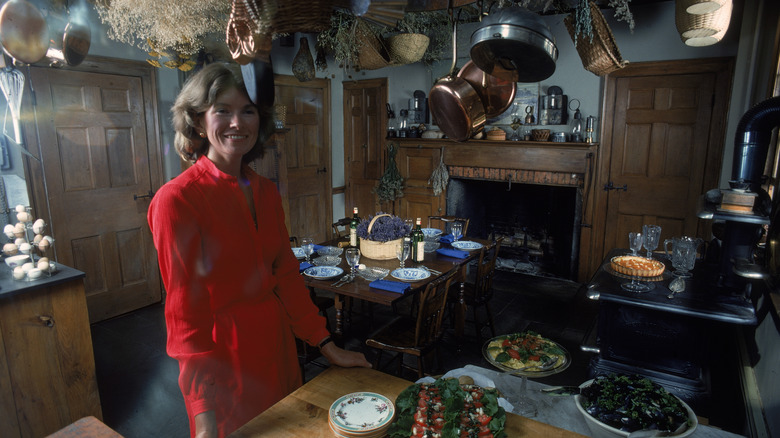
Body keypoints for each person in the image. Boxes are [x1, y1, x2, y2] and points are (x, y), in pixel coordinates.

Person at [147, 62, 371, 438]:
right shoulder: (177, 200)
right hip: (224, 361)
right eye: (223, 110)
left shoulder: (266, 191)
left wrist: (326, 345)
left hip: (278, 347)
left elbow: (287, 276)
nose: (237, 123)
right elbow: (185, 315)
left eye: (248, 111)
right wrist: (203, 415)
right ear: (199, 121)